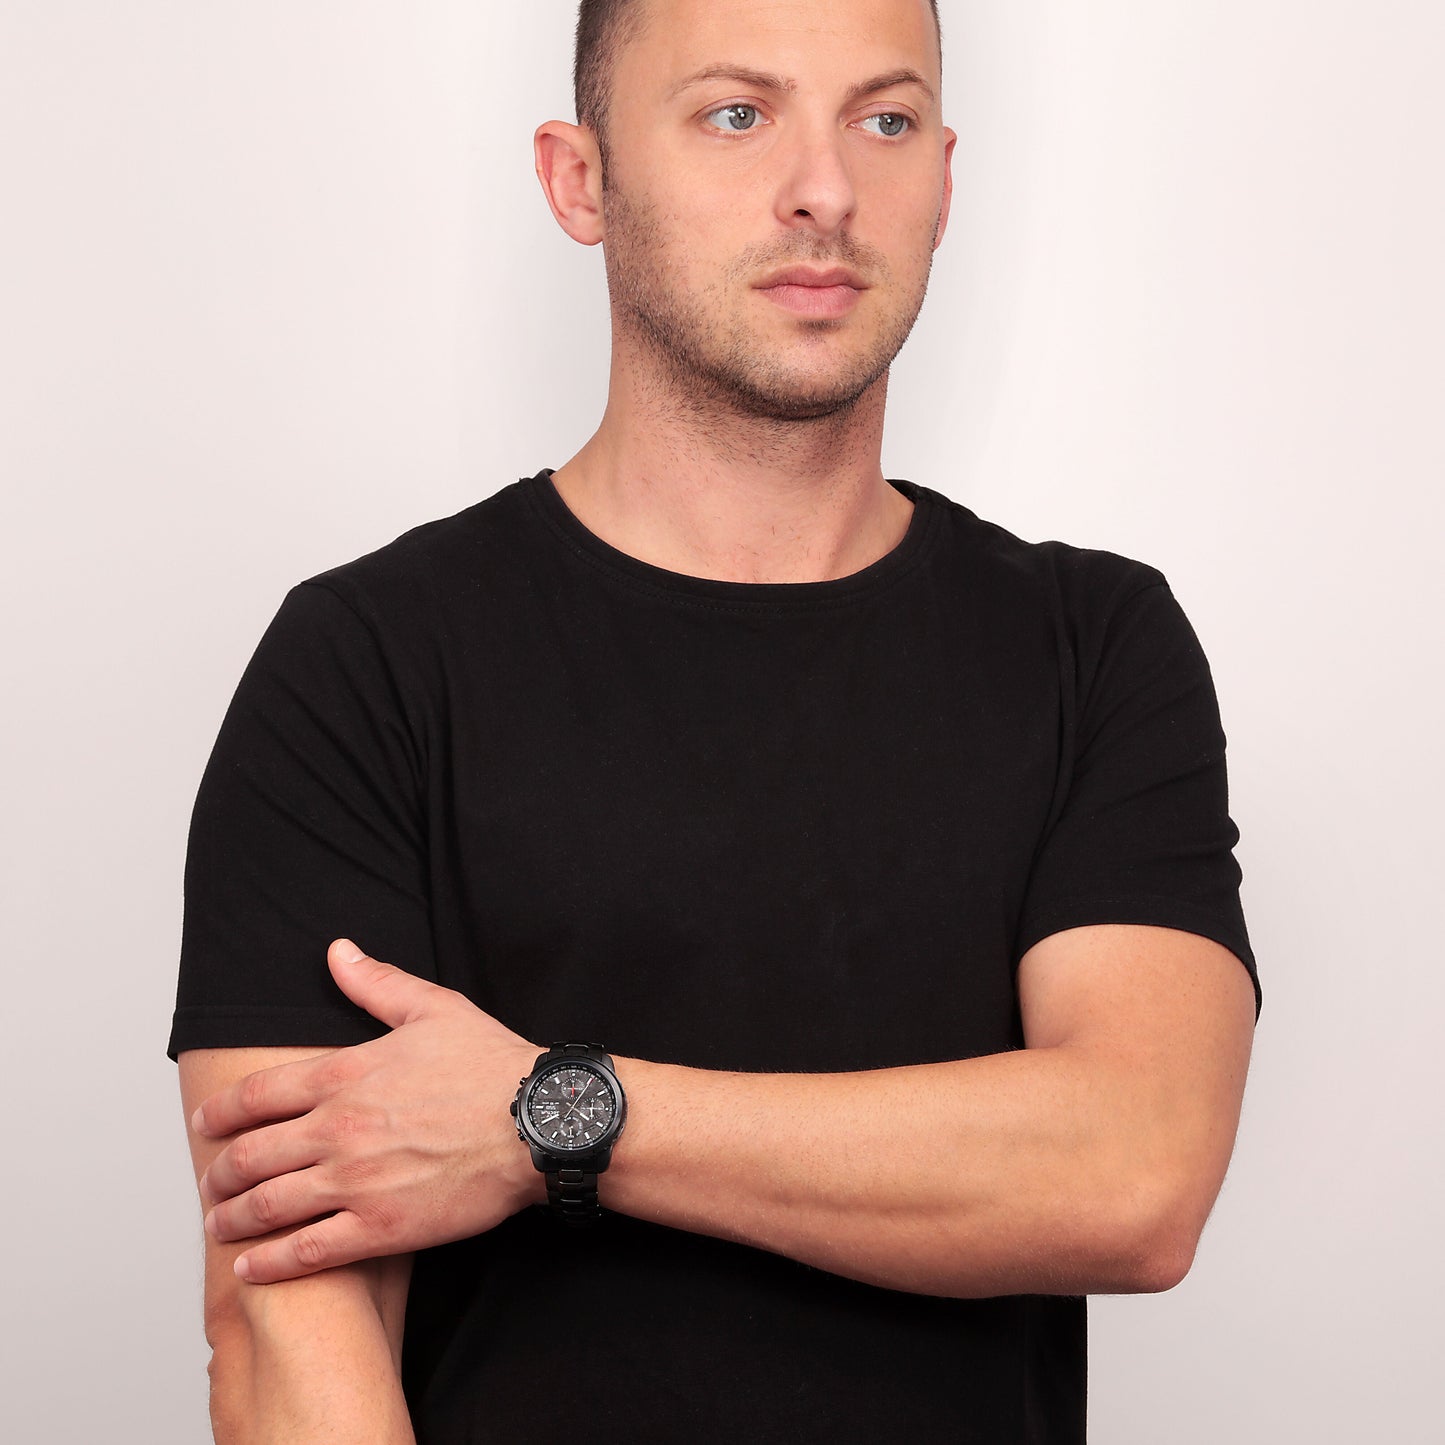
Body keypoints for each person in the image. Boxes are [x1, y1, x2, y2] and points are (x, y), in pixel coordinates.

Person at [171, 0, 1260, 1440]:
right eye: (736, 115)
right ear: (579, 180)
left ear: (944, 181)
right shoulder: (365, 662)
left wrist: (550, 1117)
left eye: (883, 120)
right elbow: (287, 1319)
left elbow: (1132, 1174)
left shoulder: (1093, 643)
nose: (824, 188)